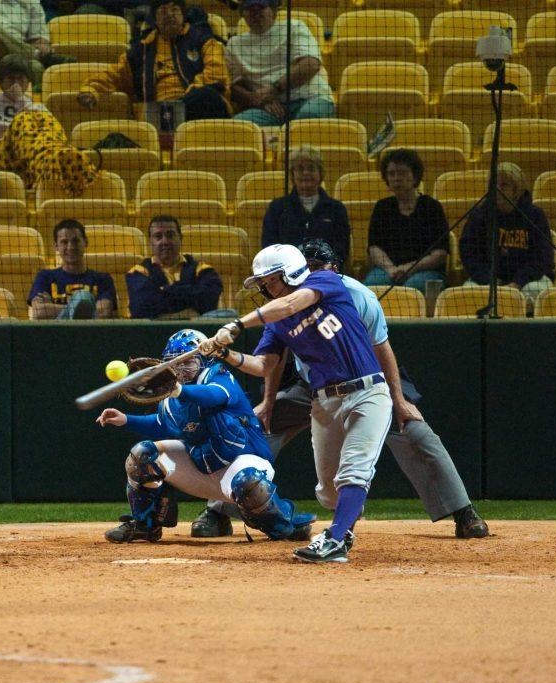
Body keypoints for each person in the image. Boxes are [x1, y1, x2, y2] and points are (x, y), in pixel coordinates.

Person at [192, 239, 489, 541]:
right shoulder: (279, 310)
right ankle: (218, 510)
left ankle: (462, 511)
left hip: (365, 374)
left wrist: (398, 400)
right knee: (256, 428)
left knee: (413, 430)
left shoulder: (355, 294)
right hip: (312, 384)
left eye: (319, 267)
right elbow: (273, 361)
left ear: (332, 269)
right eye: (309, 267)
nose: (314, 274)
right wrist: (268, 402)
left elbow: (381, 348)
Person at [202, 243, 393, 564]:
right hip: (324, 403)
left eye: (270, 281)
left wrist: (236, 325)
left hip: (368, 392)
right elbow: (263, 365)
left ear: (291, 271)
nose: (265, 289)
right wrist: (226, 354)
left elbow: (293, 302)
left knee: (353, 472)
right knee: (329, 491)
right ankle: (344, 518)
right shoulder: (277, 322)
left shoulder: (325, 282)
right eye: (262, 284)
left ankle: (336, 540)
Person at [95, 329, 316, 544]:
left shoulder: (218, 375)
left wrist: (179, 390)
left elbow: (215, 396)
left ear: (204, 361)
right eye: (176, 363)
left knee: (248, 484)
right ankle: (145, 524)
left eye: (188, 362)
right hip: (201, 465)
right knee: (142, 455)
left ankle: (285, 524)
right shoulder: (171, 396)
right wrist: (126, 419)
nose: (182, 369)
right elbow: (163, 424)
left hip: (239, 463)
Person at [76, 0, 230, 122]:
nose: (170, 15)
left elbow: (216, 74)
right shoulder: (141, 50)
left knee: (206, 96)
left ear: (183, 16)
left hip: (203, 107)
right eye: (163, 11)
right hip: (160, 115)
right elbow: (113, 74)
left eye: (175, 10)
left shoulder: (203, 40)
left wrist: (186, 99)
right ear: (155, 20)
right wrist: (91, 89)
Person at [225, 0, 335, 126]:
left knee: (307, 119)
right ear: (242, 13)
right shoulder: (234, 44)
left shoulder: (294, 27)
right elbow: (233, 85)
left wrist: (274, 90)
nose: (255, 13)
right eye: (249, 8)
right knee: (238, 126)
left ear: (273, 10)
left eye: (260, 7)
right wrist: (256, 99)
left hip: (310, 98)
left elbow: (311, 64)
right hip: (267, 108)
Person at [460, 162, 554, 305]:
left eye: (504, 185)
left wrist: (518, 282)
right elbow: (469, 255)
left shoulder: (535, 215)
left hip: (528, 280)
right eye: (494, 185)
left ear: (517, 189)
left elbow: (542, 259)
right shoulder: (479, 215)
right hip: (488, 280)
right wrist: (489, 279)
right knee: (468, 293)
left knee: (537, 291)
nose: (497, 190)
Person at [362, 149, 449, 291]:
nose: (396, 178)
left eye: (402, 173)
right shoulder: (382, 207)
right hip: (388, 270)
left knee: (412, 288)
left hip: (425, 271)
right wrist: (391, 269)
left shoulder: (432, 207)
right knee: (371, 287)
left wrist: (410, 268)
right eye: (391, 173)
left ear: (415, 176)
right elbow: (374, 248)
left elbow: (440, 253)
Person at [261, 145, 350, 266]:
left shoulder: (336, 208)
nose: (306, 173)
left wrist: (327, 267)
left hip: (327, 272)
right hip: (287, 273)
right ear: (292, 174)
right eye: (300, 169)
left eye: (311, 168)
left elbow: (342, 247)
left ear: (320, 173)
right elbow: (269, 245)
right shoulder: (277, 208)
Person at [127, 215, 223, 319]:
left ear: (180, 238)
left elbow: (208, 302)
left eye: (170, 235)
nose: (165, 241)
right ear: (150, 242)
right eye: (158, 236)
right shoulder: (138, 272)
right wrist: (189, 294)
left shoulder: (203, 269)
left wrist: (163, 290)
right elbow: (140, 308)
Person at [29, 219, 116, 320]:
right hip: (56, 333)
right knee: (83, 298)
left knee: (83, 296)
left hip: (91, 333)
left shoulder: (102, 279)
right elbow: (39, 312)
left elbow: (104, 312)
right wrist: (84, 309)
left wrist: (52, 307)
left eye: (76, 241)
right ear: (56, 247)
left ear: (85, 242)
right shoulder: (45, 277)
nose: (70, 247)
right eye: (64, 242)